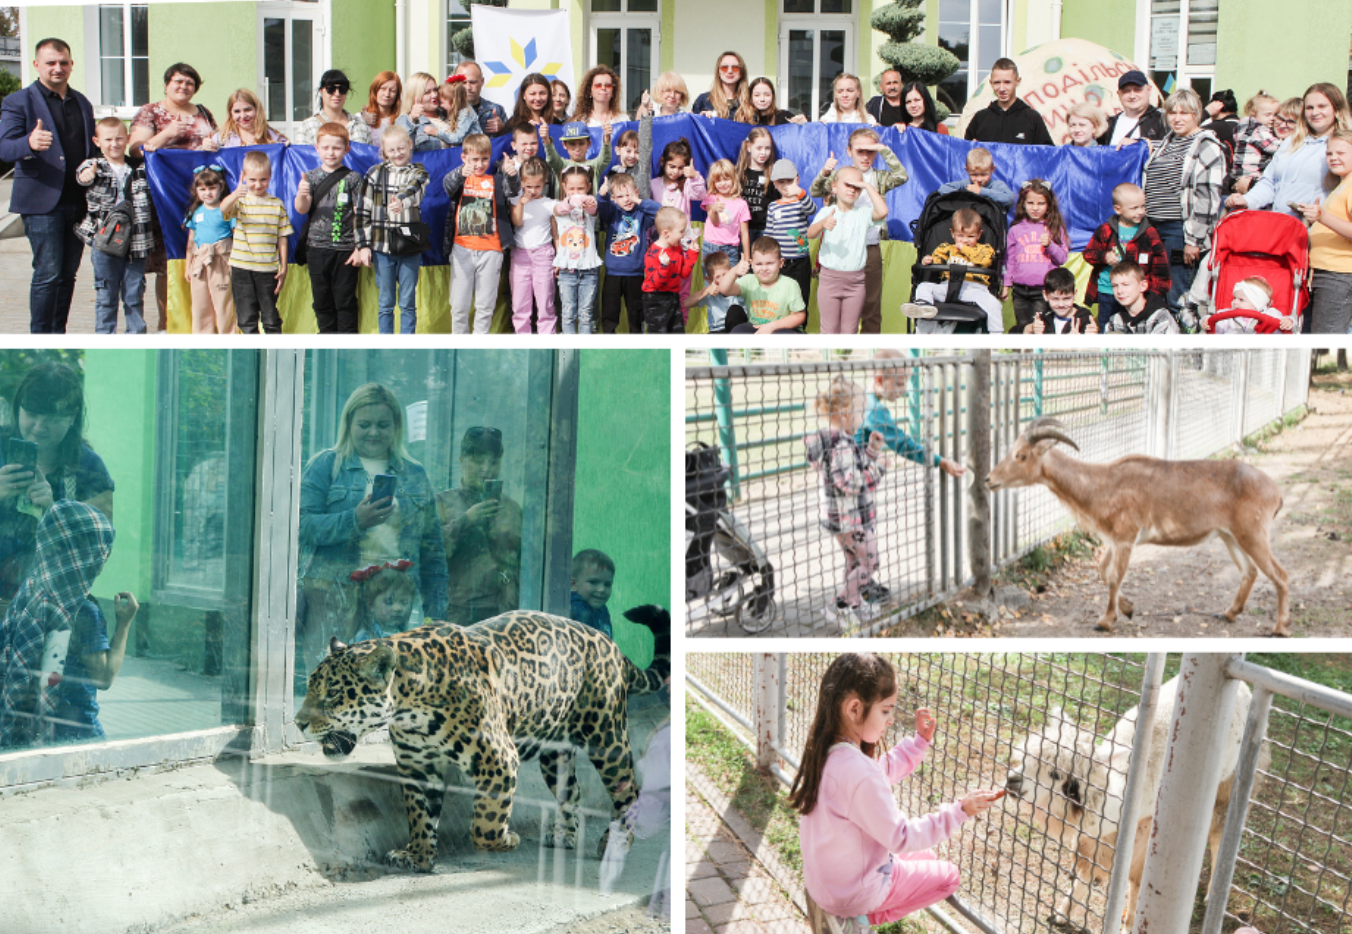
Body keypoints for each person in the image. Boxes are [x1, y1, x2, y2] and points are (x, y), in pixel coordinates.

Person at [788, 654, 1002, 933]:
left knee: (927, 858)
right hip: (853, 895)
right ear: (854, 709)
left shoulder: (827, 752)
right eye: (886, 711)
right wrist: (959, 811)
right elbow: (902, 837)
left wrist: (918, 744)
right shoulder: (859, 772)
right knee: (949, 876)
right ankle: (860, 918)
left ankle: (858, 910)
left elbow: (877, 771)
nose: (890, 720)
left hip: (827, 885)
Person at [298, 383, 447, 673]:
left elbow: (433, 554)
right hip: (334, 600)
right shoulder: (325, 465)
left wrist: (435, 619)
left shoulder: (414, 473)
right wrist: (354, 520)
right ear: (349, 424)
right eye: (364, 424)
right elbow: (302, 526)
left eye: (383, 425)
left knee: (390, 696)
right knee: (333, 691)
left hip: (394, 605)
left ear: (396, 427)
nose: (374, 432)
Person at [0, 502, 119, 749]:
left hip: (29, 727)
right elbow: (104, 678)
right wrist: (125, 623)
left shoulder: (29, 594)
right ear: (92, 559)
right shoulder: (85, 611)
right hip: (78, 732)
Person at [0, 38, 97, 334]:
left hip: (79, 203)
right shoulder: (18, 101)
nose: (58, 68)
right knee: (48, 273)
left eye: (63, 62)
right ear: (36, 65)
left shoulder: (81, 101)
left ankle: (59, 334)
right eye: (51, 62)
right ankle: (39, 337)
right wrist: (28, 143)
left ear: (71, 64)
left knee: (68, 275)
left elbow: (90, 149)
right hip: (42, 202)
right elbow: (4, 148)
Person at [855, 350, 965, 598]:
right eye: (901, 383)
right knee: (862, 537)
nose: (904, 390)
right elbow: (903, 445)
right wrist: (940, 461)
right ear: (881, 380)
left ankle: (862, 582)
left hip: (855, 480)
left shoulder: (863, 399)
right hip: (854, 485)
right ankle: (857, 589)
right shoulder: (873, 410)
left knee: (859, 537)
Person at [0, 363, 115, 601]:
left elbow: (98, 554)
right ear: (18, 408)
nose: (39, 427)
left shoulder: (88, 467)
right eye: (31, 414)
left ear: (72, 417)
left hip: (51, 603)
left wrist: (53, 511)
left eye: (51, 418)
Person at [802, 382, 892, 631]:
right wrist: (879, 467)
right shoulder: (840, 445)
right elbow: (851, 483)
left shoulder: (838, 441)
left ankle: (853, 603)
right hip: (850, 520)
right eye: (860, 411)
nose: (863, 418)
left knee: (854, 560)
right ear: (844, 412)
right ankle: (840, 604)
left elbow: (854, 465)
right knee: (870, 561)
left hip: (840, 519)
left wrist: (872, 451)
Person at [810, 129, 908, 334]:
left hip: (869, 248)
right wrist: (825, 172)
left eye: (870, 151)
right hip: (841, 251)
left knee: (871, 306)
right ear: (849, 151)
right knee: (835, 315)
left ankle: (866, 353)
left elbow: (902, 176)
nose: (865, 156)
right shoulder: (842, 175)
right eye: (860, 150)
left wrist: (883, 150)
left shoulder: (879, 177)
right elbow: (816, 191)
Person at [1143, 88, 1227, 309]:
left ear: (1196, 114)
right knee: (1154, 290)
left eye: (1185, 113)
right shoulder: (1165, 143)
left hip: (1180, 230)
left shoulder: (1206, 145)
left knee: (1176, 295)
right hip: (1154, 225)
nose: (1177, 118)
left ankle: (1180, 339)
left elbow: (1208, 196)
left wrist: (1194, 240)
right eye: (1172, 113)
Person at [75, 117, 153, 335]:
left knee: (134, 293)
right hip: (105, 242)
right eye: (108, 139)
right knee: (105, 295)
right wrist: (87, 174)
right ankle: (105, 337)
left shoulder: (140, 168)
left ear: (128, 139)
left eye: (119, 138)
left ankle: (136, 337)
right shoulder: (94, 165)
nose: (114, 144)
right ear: (97, 141)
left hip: (136, 241)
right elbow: (82, 177)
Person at [437, 426, 522, 627]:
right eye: (478, 460)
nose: (487, 469)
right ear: (461, 460)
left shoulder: (511, 509)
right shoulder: (442, 503)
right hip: (457, 617)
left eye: (494, 461)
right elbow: (430, 556)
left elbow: (524, 564)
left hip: (505, 615)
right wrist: (466, 521)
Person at [1227, 83, 1352, 219]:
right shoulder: (1292, 141)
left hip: (1315, 230)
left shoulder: (1344, 146)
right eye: (1310, 107)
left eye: (1322, 106)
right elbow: (1270, 182)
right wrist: (1247, 200)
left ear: (1337, 109)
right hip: (1280, 225)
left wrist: (1323, 216)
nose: (1315, 112)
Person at [354, 125, 430, 335]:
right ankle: (385, 345)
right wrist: (362, 245)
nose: (397, 154)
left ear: (410, 145)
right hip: (382, 247)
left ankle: (407, 345)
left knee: (407, 302)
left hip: (409, 247)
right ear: (384, 152)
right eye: (392, 150)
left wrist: (402, 201)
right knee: (386, 303)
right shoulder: (373, 174)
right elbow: (362, 210)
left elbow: (416, 187)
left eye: (401, 148)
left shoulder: (418, 171)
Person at [294, 122, 362, 335]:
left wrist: (360, 247)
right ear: (316, 148)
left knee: (345, 300)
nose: (331, 152)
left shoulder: (353, 178)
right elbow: (302, 210)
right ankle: (326, 340)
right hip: (316, 249)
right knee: (322, 299)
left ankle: (347, 343)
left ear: (346, 149)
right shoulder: (310, 177)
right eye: (325, 147)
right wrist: (302, 194)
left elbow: (360, 214)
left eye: (336, 148)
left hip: (345, 250)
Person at [443, 133, 514, 334]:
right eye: (474, 159)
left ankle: (478, 349)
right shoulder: (460, 179)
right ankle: (460, 348)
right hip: (462, 249)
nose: (480, 164)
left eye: (484, 159)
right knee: (458, 306)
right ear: (464, 158)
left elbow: (513, 191)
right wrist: (460, 173)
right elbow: (447, 186)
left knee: (485, 307)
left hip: (492, 250)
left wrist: (511, 174)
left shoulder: (496, 180)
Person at [808, 166, 888, 334]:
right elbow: (810, 233)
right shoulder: (827, 211)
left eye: (857, 186)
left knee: (849, 331)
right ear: (834, 188)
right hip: (829, 280)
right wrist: (822, 224)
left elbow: (883, 211)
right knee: (829, 330)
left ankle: (845, 360)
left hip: (856, 282)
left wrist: (867, 186)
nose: (852, 189)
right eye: (848, 185)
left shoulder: (863, 213)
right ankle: (828, 360)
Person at [220, 150, 292, 334]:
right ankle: (252, 355)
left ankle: (274, 354)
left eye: (263, 180)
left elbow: (282, 237)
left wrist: (283, 267)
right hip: (241, 268)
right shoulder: (239, 202)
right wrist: (236, 193)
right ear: (243, 177)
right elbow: (223, 209)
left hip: (268, 269)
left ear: (270, 177)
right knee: (246, 318)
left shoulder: (277, 204)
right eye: (252, 180)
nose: (258, 185)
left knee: (270, 317)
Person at [902, 207, 1002, 334]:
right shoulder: (947, 248)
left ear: (979, 234)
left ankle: (996, 336)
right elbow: (937, 259)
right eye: (960, 236)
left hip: (974, 289)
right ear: (952, 233)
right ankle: (923, 306)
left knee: (994, 304)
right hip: (948, 288)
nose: (965, 240)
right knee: (924, 286)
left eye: (971, 236)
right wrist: (929, 260)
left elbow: (985, 261)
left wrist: (965, 249)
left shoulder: (984, 249)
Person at [1081, 182, 1169, 328]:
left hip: (1136, 295)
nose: (1140, 211)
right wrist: (1104, 256)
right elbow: (1089, 254)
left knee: (1134, 330)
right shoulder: (1105, 230)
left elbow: (1161, 268)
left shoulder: (1150, 233)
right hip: (1108, 291)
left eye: (1143, 206)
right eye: (1134, 208)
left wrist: (1152, 295)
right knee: (1107, 330)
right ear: (1118, 209)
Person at [1296, 127, 1352, 334]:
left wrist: (1322, 217)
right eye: (1329, 153)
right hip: (1326, 273)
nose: (1333, 158)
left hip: (1339, 275)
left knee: (1326, 336)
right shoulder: (1343, 184)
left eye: (1341, 153)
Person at [599, 172, 663, 334]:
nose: (626, 199)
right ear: (614, 198)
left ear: (636, 192)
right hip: (613, 273)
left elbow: (660, 211)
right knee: (610, 312)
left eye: (629, 195)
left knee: (636, 313)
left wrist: (639, 201)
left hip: (636, 273)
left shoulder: (641, 214)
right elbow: (603, 207)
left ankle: (637, 341)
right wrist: (603, 196)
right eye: (620, 196)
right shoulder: (613, 212)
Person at [1002, 179, 1069, 333]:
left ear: (1048, 205)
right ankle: (1025, 357)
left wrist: (1050, 245)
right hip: (1019, 290)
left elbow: (1062, 259)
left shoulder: (1054, 228)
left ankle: (1039, 357)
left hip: (1043, 291)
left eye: (1041, 203)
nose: (1035, 208)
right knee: (1024, 328)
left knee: (1040, 329)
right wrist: (1006, 285)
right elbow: (1009, 260)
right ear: (1023, 204)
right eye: (1031, 203)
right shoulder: (1016, 230)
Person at [182, 163, 237, 334]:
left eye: (212, 188)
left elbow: (236, 237)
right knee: (200, 305)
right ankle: (203, 342)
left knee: (223, 304)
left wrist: (234, 263)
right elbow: (191, 241)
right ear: (197, 191)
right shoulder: (195, 212)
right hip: (199, 264)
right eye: (203, 189)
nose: (208, 193)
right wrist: (188, 265)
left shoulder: (226, 210)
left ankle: (228, 338)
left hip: (221, 262)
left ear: (221, 187)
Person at [508, 157, 558, 335]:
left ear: (544, 182)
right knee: (520, 304)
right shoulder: (515, 200)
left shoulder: (550, 204)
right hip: (520, 256)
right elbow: (517, 221)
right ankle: (523, 344)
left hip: (544, 255)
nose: (533, 191)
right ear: (522, 182)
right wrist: (521, 203)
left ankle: (547, 344)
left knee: (545, 303)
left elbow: (556, 234)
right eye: (528, 186)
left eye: (537, 186)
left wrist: (559, 258)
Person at [718, 237, 807, 334]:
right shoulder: (749, 280)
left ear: (781, 263)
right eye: (759, 264)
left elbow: (799, 316)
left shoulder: (790, 284)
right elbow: (724, 289)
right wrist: (734, 271)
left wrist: (772, 326)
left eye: (770, 263)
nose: (764, 268)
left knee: (786, 335)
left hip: (781, 328)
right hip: (755, 327)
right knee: (738, 331)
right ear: (752, 264)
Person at [552, 166, 602, 333]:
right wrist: (572, 201)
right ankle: (569, 354)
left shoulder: (590, 205)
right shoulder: (559, 207)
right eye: (571, 188)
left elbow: (593, 210)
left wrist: (587, 202)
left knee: (586, 315)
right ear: (564, 187)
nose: (576, 192)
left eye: (580, 188)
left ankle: (584, 353)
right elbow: (560, 209)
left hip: (589, 270)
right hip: (567, 271)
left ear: (588, 186)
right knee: (568, 314)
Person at [764, 158, 816, 313]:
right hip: (780, 262)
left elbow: (812, 210)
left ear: (797, 180)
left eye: (789, 181)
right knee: (779, 296)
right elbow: (769, 233)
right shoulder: (773, 206)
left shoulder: (801, 202)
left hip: (800, 261)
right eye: (781, 182)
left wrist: (800, 193)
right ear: (774, 183)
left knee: (801, 297)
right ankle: (780, 327)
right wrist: (764, 254)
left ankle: (798, 330)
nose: (785, 185)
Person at [962, 58, 1052, 146]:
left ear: (1018, 82)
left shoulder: (1032, 118)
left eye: (1007, 82)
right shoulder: (980, 118)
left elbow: (1047, 155)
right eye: (997, 82)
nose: (1002, 88)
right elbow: (964, 154)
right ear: (991, 83)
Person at [641, 207, 698, 333]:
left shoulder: (676, 248)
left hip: (673, 296)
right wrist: (664, 267)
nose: (683, 235)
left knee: (677, 332)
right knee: (659, 335)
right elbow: (655, 283)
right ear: (666, 233)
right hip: (656, 299)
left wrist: (692, 254)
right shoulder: (653, 253)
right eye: (681, 231)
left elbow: (683, 274)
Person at [292, 69, 373, 147]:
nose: (337, 94)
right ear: (321, 91)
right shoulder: (307, 127)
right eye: (331, 89)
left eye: (342, 89)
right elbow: (302, 159)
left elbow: (370, 158)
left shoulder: (360, 124)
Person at [398, 73, 478, 151]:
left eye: (435, 90)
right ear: (415, 96)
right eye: (427, 92)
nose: (434, 95)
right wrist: (412, 120)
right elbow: (402, 150)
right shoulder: (405, 120)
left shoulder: (448, 112)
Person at [347, 560, 417, 643]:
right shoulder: (363, 639)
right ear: (371, 605)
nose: (397, 608)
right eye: (389, 602)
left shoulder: (411, 634)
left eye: (404, 602)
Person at [1104, 260, 1178, 334]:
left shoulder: (1161, 317)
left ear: (1143, 286)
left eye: (1126, 284)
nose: (1119, 291)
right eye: (1115, 286)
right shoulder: (1115, 320)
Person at [542, 120, 613, 197]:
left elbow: (606, 157)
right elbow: (551, 158)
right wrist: (546, 139)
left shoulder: (595, 166)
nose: (577, 148)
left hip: (588, 208)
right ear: (564, 145)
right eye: (572, 144)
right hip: (564, 208)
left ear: (589, 144)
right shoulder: (561, 165)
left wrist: (607, 137)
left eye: (581, 143)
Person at [1097, 70, 1166, 148]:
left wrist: (1139, 144)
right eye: (1126, 91)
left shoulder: (1163, 121)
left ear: (1149, 90)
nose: (1132, 96)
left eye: (1137, 90)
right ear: (1119, 94)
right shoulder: (1108, 125)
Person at [1230, 92, 1281, 195]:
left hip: (1240, 173)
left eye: (1275, 115)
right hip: (1251, 174)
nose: (1272, 118)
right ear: (1254, 114)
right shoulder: (1257, 129)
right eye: (1268, 115)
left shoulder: (1243, 126)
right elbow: (1272, 146)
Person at [1208, 276, 1294, 334]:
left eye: (1241, 300)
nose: (1234, 302)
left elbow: (1282, 321)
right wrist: (1207, 321)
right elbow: (1216, 324)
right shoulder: (1227, 315)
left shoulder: (1270, 313)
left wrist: (1288, 321)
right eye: (1234, 298)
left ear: (1257, 302)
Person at [1023, 268, 1098, 334]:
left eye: (1066, 298)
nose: (1061, 304)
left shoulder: (1085, 318)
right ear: (1045, 295)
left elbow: (1094, 348)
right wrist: (1030, 329)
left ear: (1075, 294)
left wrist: (1087, 340)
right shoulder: (1043, 319)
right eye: (1055, 299)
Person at [937, 147, 1014, 210]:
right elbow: (943, 189)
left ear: (992, 169)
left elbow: (1010, 199)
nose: (979, 179)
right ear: (967, 170)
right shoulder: (966, 184)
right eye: (974, 175)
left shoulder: (997, 185)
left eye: (984, 174)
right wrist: (967, 195)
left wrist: (981, 191)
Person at [736, 128, 777, 241]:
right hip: (742, 229)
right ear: (749, 147)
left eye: (767, 148)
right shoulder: (738, 173)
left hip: (766, 229)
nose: (763, 152)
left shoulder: (774, 174)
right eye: (759, 148)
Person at [212, 89, 287, 148]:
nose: (243, 115)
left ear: (257, 110)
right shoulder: (221, 139)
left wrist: (287, 148)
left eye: (247, 110)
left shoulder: (274, 138)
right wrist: (207, 148)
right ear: (231, 114)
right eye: (237, 111)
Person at [693, 51, 752, 122]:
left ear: (742, 72)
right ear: (718, 72)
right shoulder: (704, 100)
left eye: (735, 68)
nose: (730, 71)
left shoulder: (751, 101)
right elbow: (693, 129)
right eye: (724, 67)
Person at [453, 61, 509, 136]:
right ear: (455, 84)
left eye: (473, 82)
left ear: (482, 82)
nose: (468, 87)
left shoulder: (497, 110)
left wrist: (503, 129)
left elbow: (511, 143)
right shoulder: (447, 111)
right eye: (463, 83)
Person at [569, 549, 615, 638]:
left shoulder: (601, 608)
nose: (602, 589)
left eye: (607, 584)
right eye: (593, 582)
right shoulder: (577, 609)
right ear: (574, 584)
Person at [360, 71, 403, 148]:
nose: (387, 94)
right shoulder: (361, 118)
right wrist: (362, 122)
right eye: (383, 89)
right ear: (375, 90)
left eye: (392, 90)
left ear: (397, 95)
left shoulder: (402, 119)